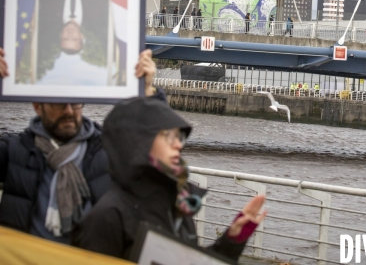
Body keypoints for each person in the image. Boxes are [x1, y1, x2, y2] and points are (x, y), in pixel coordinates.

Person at [72, 96, 266, 261]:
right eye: (168, 136)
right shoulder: (108, 216)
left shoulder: (177, 204)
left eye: (179, 137)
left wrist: (232, 240)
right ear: (137, 142)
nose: (178, 145)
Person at [0, 48, 157, 244]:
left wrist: (148, 92)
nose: (68, 111)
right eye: (59, 103)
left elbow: (156, 156)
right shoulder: (16, 150)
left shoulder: (107, 150)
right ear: (37, 106)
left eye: (75, 103)